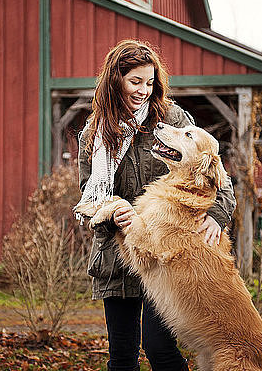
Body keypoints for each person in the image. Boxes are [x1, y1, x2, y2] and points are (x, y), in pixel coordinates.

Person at [75, 39, 236, 371]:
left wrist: (218, 215)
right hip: (117, 258)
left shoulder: (172, 118)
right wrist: (111, 215)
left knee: (160, 347)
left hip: (163, 256)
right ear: (115, 80)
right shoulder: (93, 134)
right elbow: (89, 197)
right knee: (122, 356)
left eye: (149, 82)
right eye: (135, 82)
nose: (143, 90)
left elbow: (213, 171)